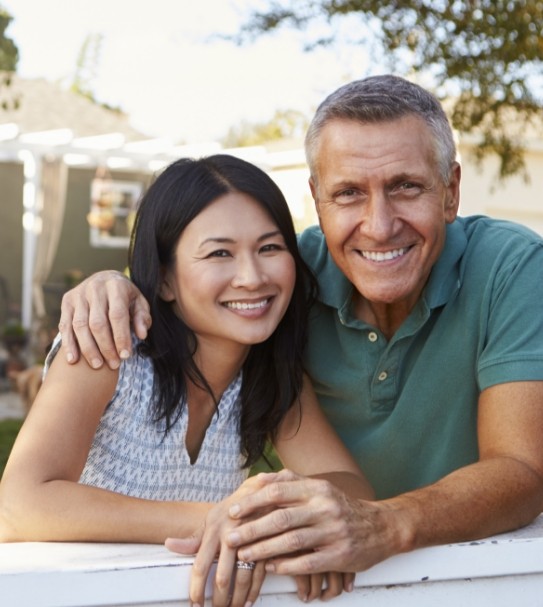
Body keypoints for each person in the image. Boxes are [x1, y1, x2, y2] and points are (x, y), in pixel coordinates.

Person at [52, 75, 543, 578]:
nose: (379, 225)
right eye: (348, 193)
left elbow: (521, 470)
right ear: (317, 198)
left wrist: (376, 522)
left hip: (470, 576)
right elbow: (186, 282)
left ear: (450, 191)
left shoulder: (511, 267)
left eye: (406, 187)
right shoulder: (284, 280)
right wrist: (112, 282)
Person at [0, 154, 374, 607]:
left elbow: (352, 491)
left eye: (270, 248)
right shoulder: (108, 349)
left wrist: (272, 518)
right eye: (219, 253)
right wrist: (222, 518)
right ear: (164, 280)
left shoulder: (271, 376)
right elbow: (18, 505)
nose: (252, 277)